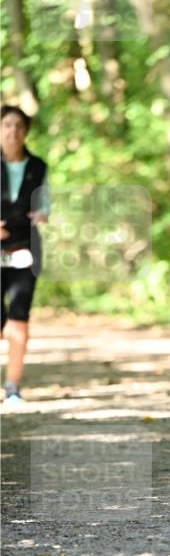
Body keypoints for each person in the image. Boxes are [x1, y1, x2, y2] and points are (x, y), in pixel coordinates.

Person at [1, 104, 49, 406]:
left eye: (19, 125)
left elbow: (44, 204)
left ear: (26, 131)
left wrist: (43, 214)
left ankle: (13, 387)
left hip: (25, 251)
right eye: (7, 124)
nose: (13, 131)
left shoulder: (38, 166)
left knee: (19, 320)